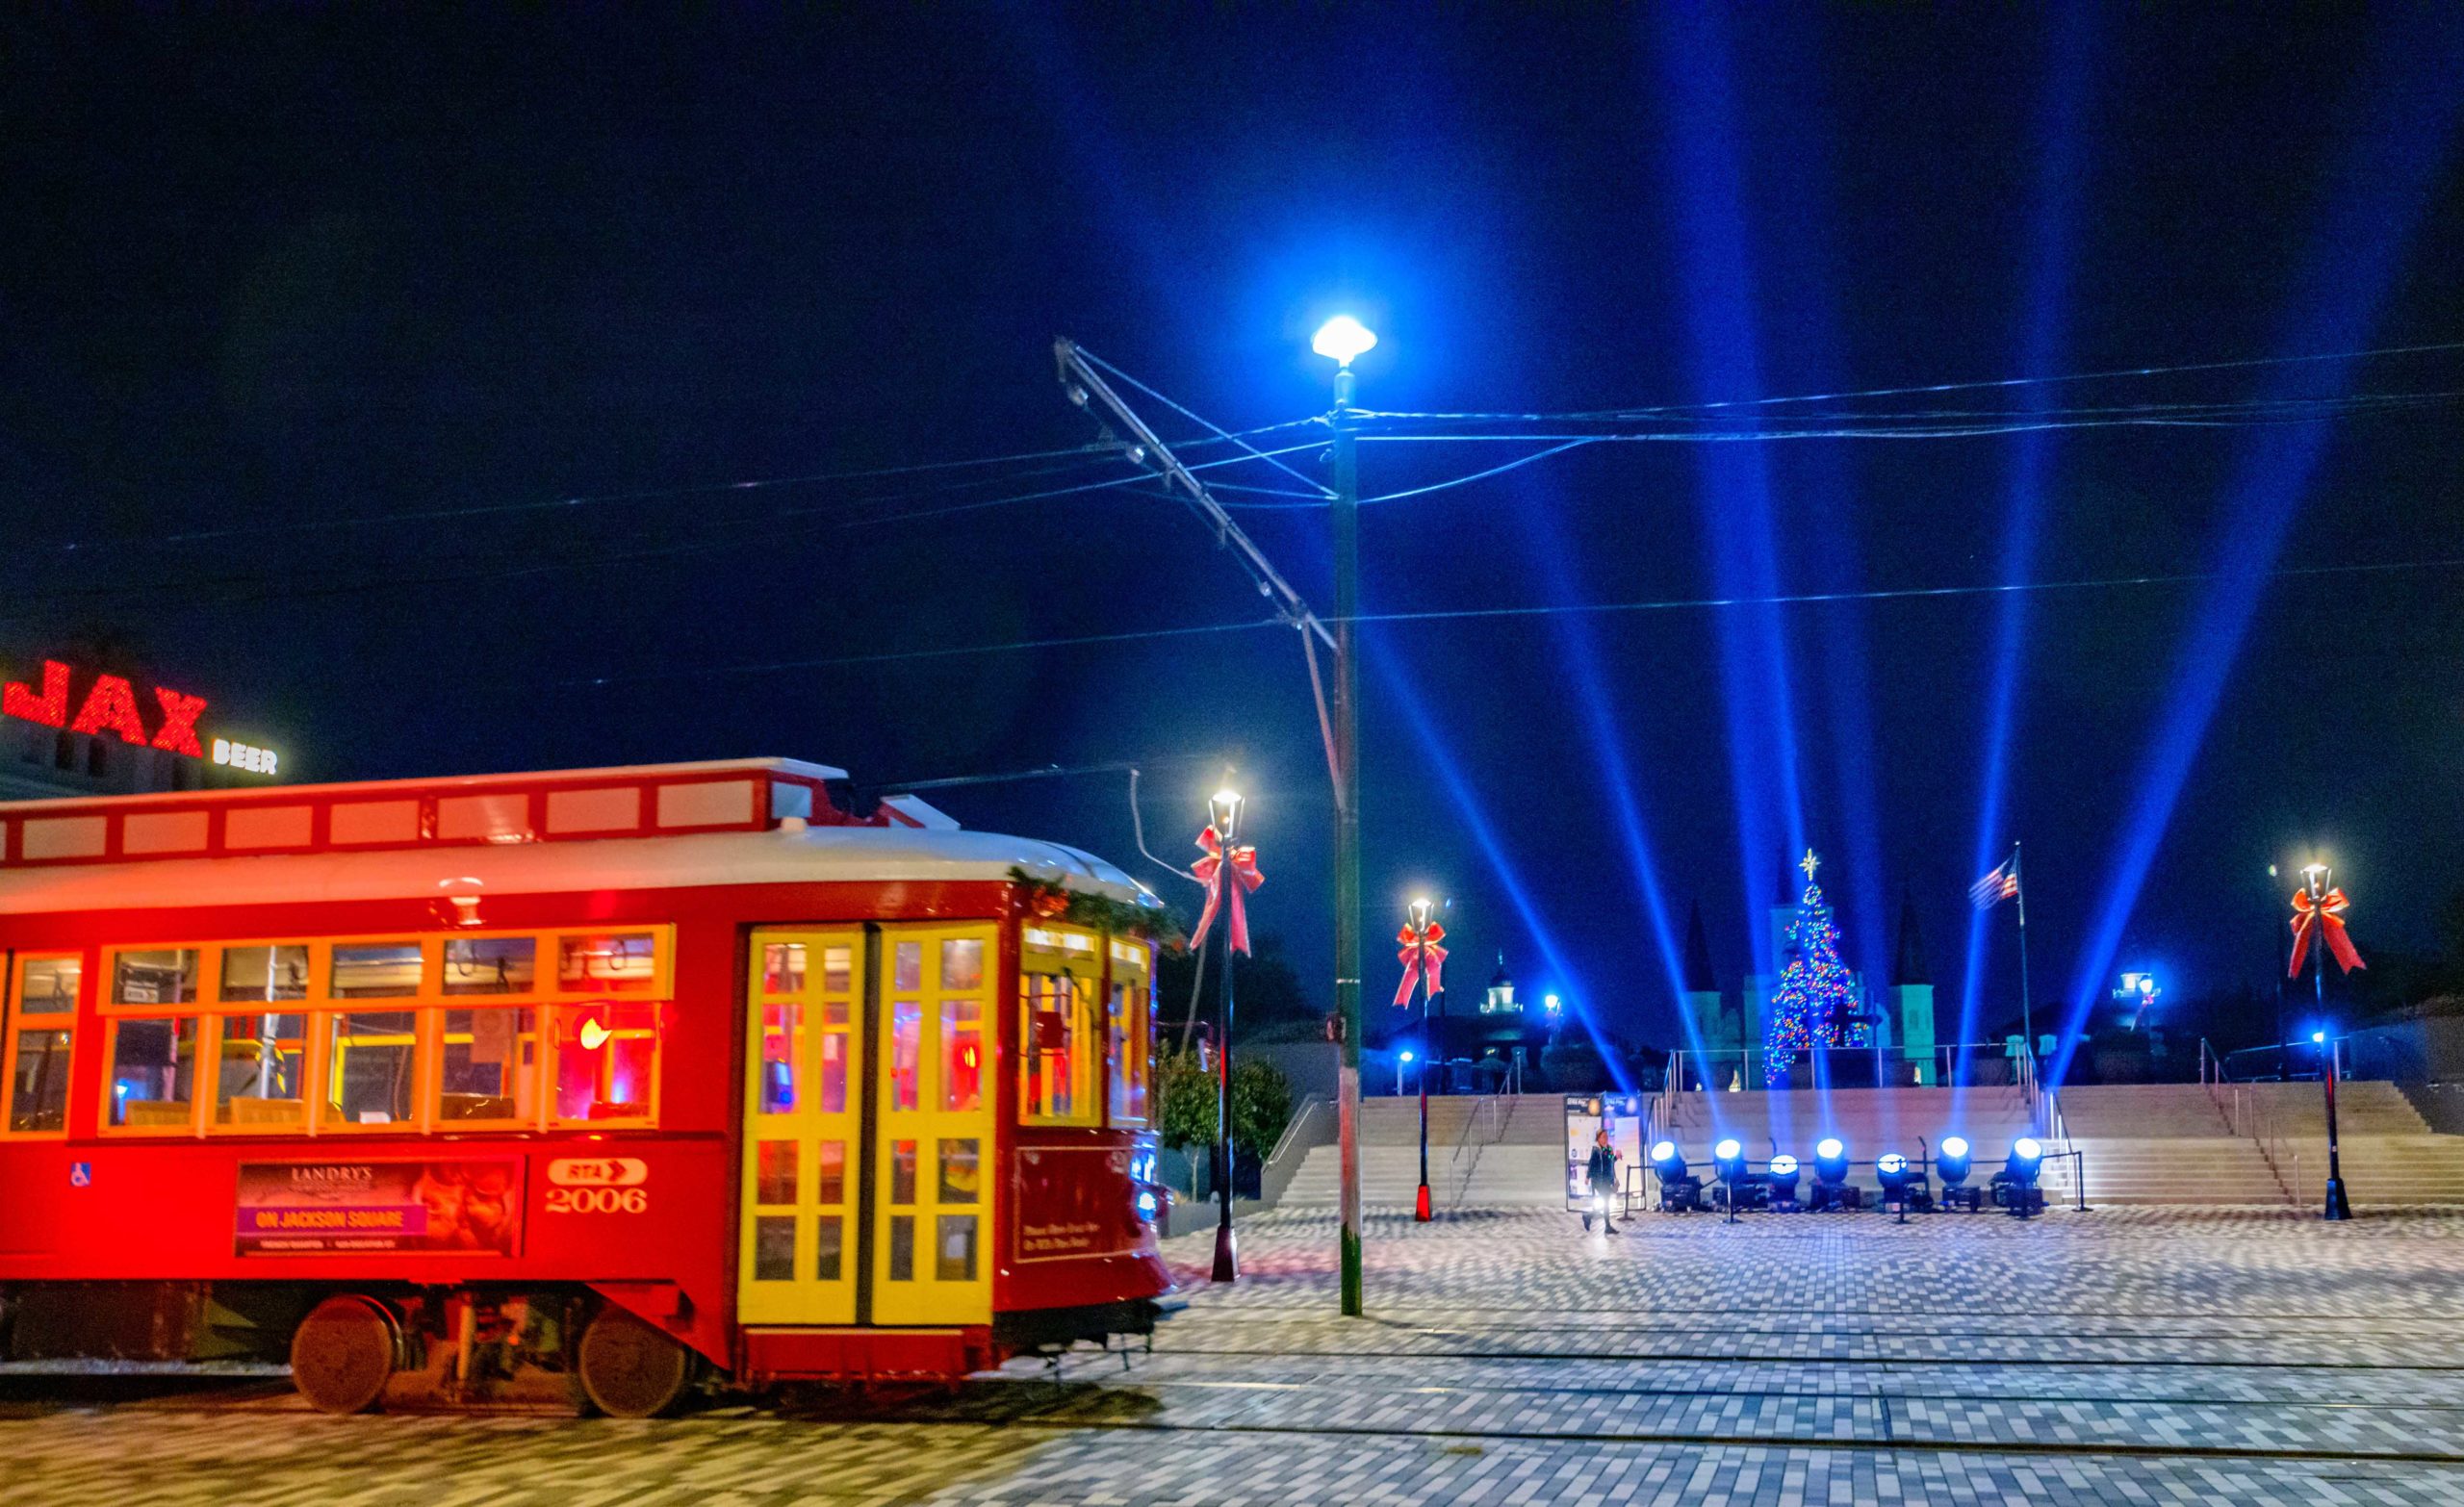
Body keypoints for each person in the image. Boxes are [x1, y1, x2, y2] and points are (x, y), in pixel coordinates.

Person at [1581, 1127, 1621, 1234]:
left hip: (1607, 1180)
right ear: (1598, 1138)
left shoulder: (1608, 1149)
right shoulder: (1596, 1150)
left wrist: (1616, 1157)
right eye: (1603, 1137)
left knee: (1606, 1203)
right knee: (1606, 1202)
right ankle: (1591, 1218)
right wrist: (1587, 1177)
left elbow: (1610, 1161)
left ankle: (1591, 1218)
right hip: (1598, 1180)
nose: (1605, 1139)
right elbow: (1591, 1164)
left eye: (1606, 1137)